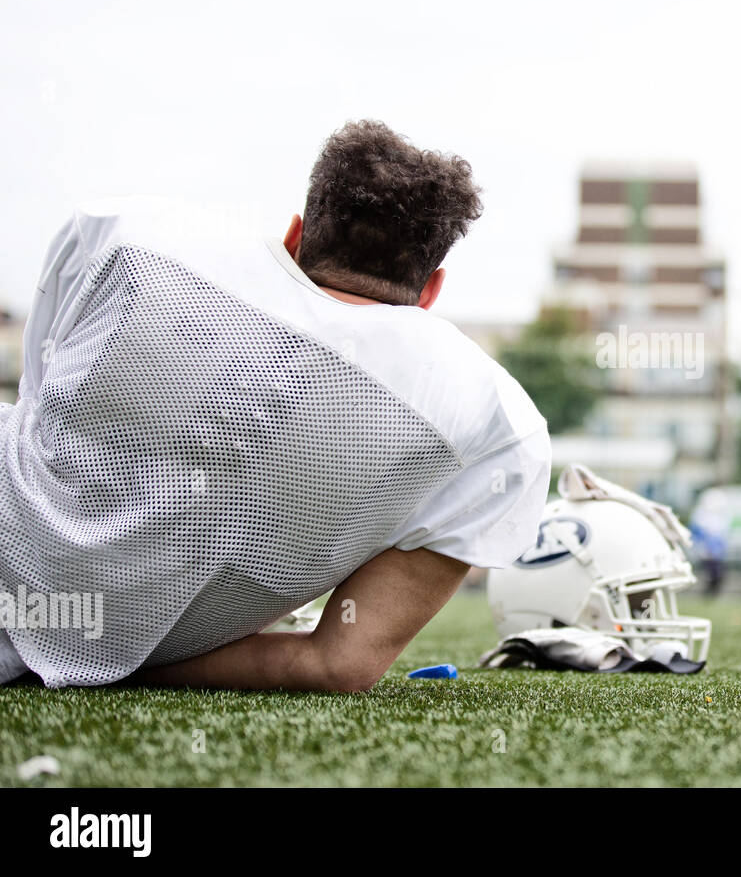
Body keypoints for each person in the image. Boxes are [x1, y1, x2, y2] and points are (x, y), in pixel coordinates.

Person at [0, 120, 551, 691]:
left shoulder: (122, 233)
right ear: (430, 291)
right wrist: (109, 655)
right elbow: (338, 664)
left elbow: (36, 409)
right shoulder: (500, 424)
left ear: (293, 237)